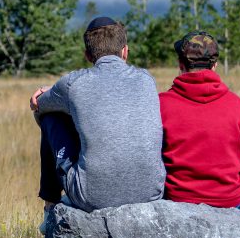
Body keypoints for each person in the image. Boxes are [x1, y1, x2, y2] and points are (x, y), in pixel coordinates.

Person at [30, 17, 165, 226]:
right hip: (150, 194)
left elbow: (39, 105)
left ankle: (50, 207)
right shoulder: (146, 79)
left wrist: (48, 94)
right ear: (125, 51)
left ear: (87, 55)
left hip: (91, 198)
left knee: (51, 116)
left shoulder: (73, 83)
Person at [159, 30, 240, 229]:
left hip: (177, 198)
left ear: (181, 65)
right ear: (215, 66)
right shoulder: (235, 104)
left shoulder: (161, 104)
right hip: (229, 198)